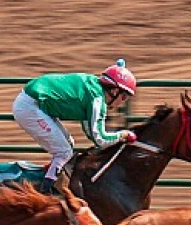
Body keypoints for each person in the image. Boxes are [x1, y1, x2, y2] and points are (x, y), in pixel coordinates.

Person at [12, 59, 139, 194]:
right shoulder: (97, 100)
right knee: (64, 152)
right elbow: (100, 139)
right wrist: (123, 135)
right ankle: (46, 193)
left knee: (68, 144)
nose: (122, 102)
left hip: (34, 102)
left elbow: (90, 132)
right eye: (124, 97)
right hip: (30, 107)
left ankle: (51, 178)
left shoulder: (93, 88)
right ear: (114, 91)